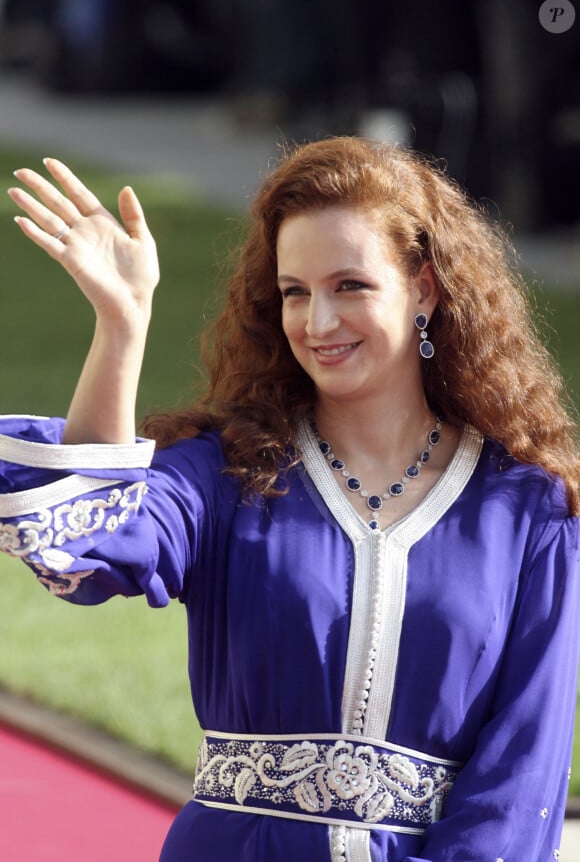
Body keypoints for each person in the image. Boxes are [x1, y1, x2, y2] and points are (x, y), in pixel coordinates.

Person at [1, 137, 579, 862]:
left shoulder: (529, 512)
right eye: (295, 292)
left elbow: (523, 770)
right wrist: (123, 325)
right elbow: (92, 538)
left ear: (423, 289)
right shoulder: (225, 475)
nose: (318, 323)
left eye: (351, 286)